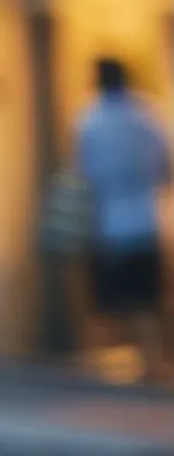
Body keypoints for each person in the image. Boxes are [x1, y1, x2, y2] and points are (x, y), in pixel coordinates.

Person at [74, 56, 170, 383]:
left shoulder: (90, 120)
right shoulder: (146, 114)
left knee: (107, 297)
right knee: (146, 298)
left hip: (107, 221)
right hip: (145, 217)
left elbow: (84, 173)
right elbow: (165, 167)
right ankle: (151, 362)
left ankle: (96, 365)